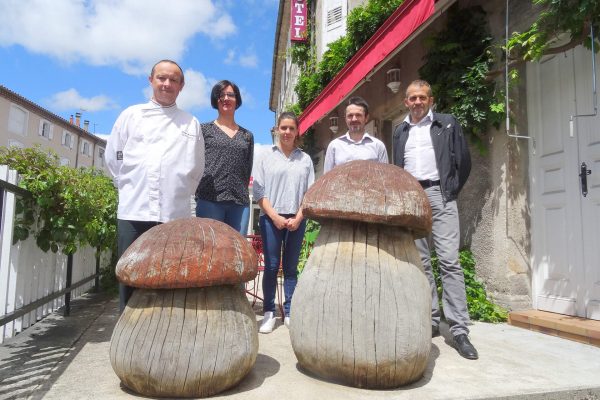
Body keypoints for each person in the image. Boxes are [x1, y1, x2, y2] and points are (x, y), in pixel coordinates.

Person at [105, 60, 205, 311]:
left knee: (169, 277)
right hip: (134, 210)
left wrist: (178, 193)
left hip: (174, 214)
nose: (167, 84)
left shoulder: (190, 122)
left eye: (173, 80)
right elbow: (113, 158)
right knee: (129, 275)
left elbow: (196, 168)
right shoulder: (131, 115)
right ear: (151, 80)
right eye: (162, 78)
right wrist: (130, 187)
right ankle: (126, 339)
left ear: (181, 86)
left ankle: (164, 336)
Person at [392, 79, 476, 360]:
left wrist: (449, 190)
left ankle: (459, 329)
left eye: (422, 98)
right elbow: (397, 167)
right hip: (413, 198)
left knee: (449, 261)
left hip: (440, 194)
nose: (417, 102)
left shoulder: (446, 123)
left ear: (431, 100)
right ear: (406, 102)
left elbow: (463, 161)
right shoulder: (399, 130)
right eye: (412, 98)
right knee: (422, 263)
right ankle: (430, 319)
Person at [253, 112, 314, 333]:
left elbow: (309, 193)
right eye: (283, 128)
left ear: (297, 131)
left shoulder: (305, 159)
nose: (287, 132)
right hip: (271, 218)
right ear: (277, 130)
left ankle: (289, 312)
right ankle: (269, 312)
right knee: (270, 267)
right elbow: (259, 191)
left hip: (297, 218)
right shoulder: (264, 156)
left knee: (290, 268)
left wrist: (299, 217)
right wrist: (275, 217)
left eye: (291, 128)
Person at [195, 80, 254, 234]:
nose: (226, 98)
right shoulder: (204, 130)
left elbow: (247, 168)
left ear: (237, 99)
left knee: (236, 251)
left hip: (239, 202)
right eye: (221, 95)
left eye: (230, 95)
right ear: (216, 99)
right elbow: (195, 162)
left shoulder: (247, 135)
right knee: (210, 249)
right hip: (209, 199)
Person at [323, 96, 388, 173]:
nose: (354, 119)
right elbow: (326, 179)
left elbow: (385, 177)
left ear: (366, 118)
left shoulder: (378, 146)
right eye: (350, 116)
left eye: (358, 115)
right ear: (345, 119)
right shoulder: (334, 146)